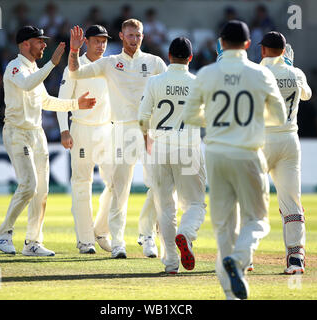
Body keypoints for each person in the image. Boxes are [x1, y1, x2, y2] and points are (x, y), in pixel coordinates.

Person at [183, 20, 286, 300]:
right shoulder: (260, 74)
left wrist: (218, 121)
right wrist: (250, 121)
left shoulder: (205, 74)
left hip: (216, 154)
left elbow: (191, 116)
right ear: (248, 45)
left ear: (221, 43)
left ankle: (231, 292)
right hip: (247, 153)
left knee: (223, 227)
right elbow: (279, 116)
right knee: (257, 220)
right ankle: (239, 259)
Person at [68, 19, 167, 259]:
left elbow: (168, 91)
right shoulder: (110, 63)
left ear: (143, 36)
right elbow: (76, 71)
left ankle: (147, 236)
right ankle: (119, 242)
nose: (135, 39)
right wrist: (74, 51)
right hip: (121, 131)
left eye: (138, 35)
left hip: (149, 130)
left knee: (158, 186)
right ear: (122, 36)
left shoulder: (154, 62)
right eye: (130, 35)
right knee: (120, 189)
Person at [0, 26, 96, 257]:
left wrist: (74, 105)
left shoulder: (33, 69)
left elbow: (46, 101)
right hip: (17, 132)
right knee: (29, 185)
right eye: (39, 41)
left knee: (41, 192)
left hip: (36, 133)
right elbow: (27, 84)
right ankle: (4, 233)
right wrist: (52, 64)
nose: (44, 45)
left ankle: (32, 242)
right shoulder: (15, 67)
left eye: (43, 41)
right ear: (24, 44)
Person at [138, 37, 207, 274]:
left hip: (159, 148)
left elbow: (142, 116)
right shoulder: (198, 83)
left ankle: (170, 263)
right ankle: (186, 234)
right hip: (188, 147)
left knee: (165, 207)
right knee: (196, 202)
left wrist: (147, 136)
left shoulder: (155, 81)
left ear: (169, 57)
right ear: (190, 57)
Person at [56, 25, 113, 254]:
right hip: (81, 130)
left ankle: (101, 229)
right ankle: (85, 240)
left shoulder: (110, 65)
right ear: (86, 42)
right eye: (97, 41)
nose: (101, 45)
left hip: (106, 130)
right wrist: (64, 130)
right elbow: (62, 99)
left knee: (117, 183)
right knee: (82, 185)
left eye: (104, 41)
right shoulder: (75, 65)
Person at [259, 31, 312, 274]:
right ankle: (295, 258)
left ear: (263, 50)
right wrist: (291, 69)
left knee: (250, 198)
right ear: (284, 51)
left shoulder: (257, 71)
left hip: (262, 141)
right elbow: (307, 95)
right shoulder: (296, 72)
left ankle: (244, 257)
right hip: (290, 140)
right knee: (291, 201)